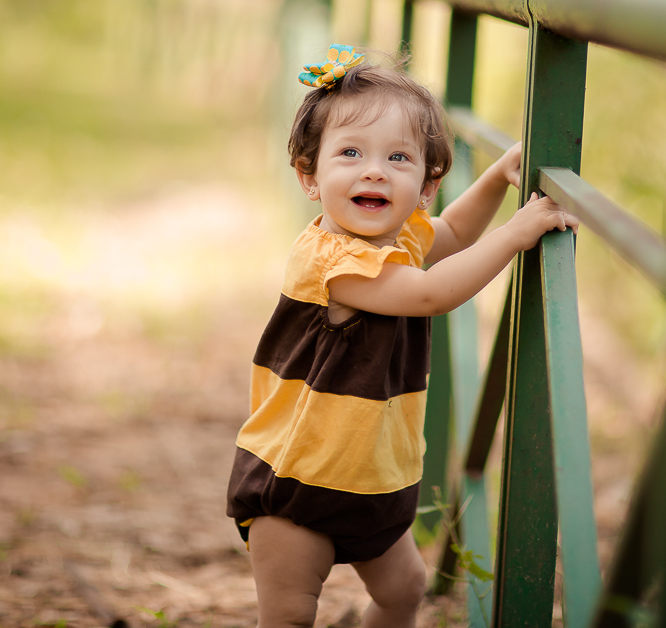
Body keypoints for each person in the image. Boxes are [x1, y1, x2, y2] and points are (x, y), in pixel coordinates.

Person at [226, 44, 578, 628]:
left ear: (425, 185)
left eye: (398, 157)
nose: (373, 170)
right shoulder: (332, 260)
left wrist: (496, 178)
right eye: (350, 153)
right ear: (309, 176)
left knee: (404, 590)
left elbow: (457, 233)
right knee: (289, 614)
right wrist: (518, 234)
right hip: (299, 485)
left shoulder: (397, 239)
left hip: (373, 480)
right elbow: (430, 293)